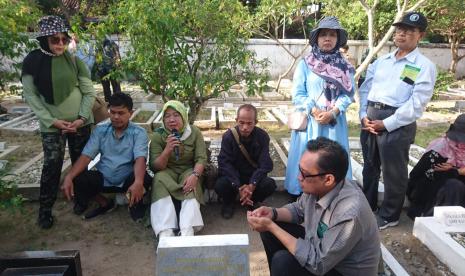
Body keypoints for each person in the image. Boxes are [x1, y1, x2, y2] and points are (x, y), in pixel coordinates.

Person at [247, 137, 380, 276]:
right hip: (321, 249)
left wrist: (271, 226)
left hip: (340, 270)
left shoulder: (349, 213)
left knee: (283, 262)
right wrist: (272, 213)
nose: (299, 177)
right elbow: (299, 209)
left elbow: (318, 263)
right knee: (271, 230)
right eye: (300, 170)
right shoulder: (319, 186)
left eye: (304, 174)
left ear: (328, 179)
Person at [359, 11, 437, 229]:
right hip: (370, 118)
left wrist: (387, 123)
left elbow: (417, 103)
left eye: (409, 31)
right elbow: (366, 88)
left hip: (396, 123)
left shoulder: (423, 65)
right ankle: (368, 206)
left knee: (394, 171)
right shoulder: (382, 61)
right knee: (370, 167)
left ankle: (390, 215)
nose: (402, 34)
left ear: (420, 35)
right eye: (400, 30)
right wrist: (363, 115)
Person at [21, 15, 96, 229]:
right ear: (44, 39)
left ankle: (82, 201)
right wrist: (52, 121)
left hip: (80, 124)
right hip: (51, 126)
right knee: (51, 166)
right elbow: (31, 96)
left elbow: (89, 92)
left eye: (64, 39)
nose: (61, 44)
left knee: (81, 163)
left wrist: (81, 119)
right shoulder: (32, 62)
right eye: (55, 39)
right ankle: (45, 210)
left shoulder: (74, 60)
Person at [285, 16, 355, 202]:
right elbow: (298, 94)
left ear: (338, 40)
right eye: (323, 34)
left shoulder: (345, 67)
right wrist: (314, 110)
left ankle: (333, 196)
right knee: (307, 156)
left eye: (332, 35)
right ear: (316, 38)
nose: (327, 38)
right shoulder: (305, 64)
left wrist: (334, 111)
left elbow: (348, 95)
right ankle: (300, 197)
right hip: (311, 122)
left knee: (332, 159)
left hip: (333, 123)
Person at [62, 93, 152, 221]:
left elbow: (140, 159)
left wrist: (138, 182)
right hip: (104, 177)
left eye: (121, 113)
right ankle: (105, 203)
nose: (115, 117)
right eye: (113, 112)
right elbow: (87, 156)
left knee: (145, 179)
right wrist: (69, 176)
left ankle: (135, 203)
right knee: (78, 176)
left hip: (127, 178)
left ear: (130, 113)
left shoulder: (138, 133)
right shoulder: (100, 131)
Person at [150, 100, 207, 237]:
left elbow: (201, 159)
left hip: (188, 170)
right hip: (167, 171)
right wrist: (167, 150)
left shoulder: (194, 132)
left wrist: (195, 175)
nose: (171, 120)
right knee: (158, 179)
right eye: (167, 116)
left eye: (176, 115)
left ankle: (187, 230)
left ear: (183, 116)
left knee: (190, 184)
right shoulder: (158, 135)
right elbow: (155, 167)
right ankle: (165, 231)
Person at [215, 104, 276, 219]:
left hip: (253, 176)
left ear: (255, 122)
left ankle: (252, 200)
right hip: (234, 177)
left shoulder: (262, 136)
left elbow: (265, 164)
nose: (245, 127)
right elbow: (224, 163)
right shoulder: (228, 136)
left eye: (249, 123)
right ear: (236, 120)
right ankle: (229, 202)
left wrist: (252, 184)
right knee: (220, 185)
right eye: (241, 123)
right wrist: (238, 186)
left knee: (269, 185)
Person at [407, 114, 465, 219]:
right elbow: (418, 177)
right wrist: (455, 172)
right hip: (432, 196)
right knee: (454, 185)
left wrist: (457, 170)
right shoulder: (439, 150)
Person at [96, 37, 121, 102]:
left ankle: (118, 101)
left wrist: (118, 64)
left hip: (112, 68)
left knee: (116, 86)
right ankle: (108, 102)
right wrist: (98, 68)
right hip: (102, 69)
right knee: (106, 88)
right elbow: (96, 57)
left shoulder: (112, 43)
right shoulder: (98, 45)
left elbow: (117, 54)